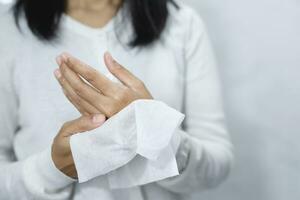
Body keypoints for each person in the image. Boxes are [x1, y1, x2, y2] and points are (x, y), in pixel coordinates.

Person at [0, 0, 233, 199]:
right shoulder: (8, 30)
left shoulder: (183, 24)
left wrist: (158, 133)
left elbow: (218, 164)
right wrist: (50, 170)